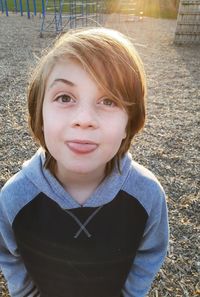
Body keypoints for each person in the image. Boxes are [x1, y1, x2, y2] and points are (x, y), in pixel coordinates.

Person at [0, 28, 169, 297]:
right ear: (39, 114)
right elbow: (9, 256)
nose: (84, 118)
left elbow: (149, 254)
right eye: (64, 97)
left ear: (130, 122)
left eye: (108, 100)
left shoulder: (147, 194)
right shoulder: (14, 198)